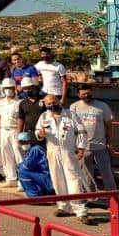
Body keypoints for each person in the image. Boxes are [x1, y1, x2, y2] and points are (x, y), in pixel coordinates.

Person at [35, 94, 92, 224]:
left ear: (59, 101)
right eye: (48, 103)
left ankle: (80, 211)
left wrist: (81, 149)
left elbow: (82, 132)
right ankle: (64, 207)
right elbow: (37, 132)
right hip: (52, 151)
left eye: (53, 102)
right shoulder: (44, 116)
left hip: (68, 151)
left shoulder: (71, 114)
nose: (51, 105)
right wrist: (40, 134)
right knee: (57, 179)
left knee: (74, 180)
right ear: (45, 104)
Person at [69, 84, 117, 192]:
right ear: (78, 95)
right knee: (86, 175)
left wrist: (109, 143)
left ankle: (113, 198)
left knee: (107, 173)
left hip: (100, 145)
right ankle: (91, 197)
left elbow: (109, 125)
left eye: (88, 93)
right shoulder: (74, 107)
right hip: (83, 147)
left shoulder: (103, 106)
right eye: (83, 94)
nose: (86, 95)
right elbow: (71, 128)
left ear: (92, 92)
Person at [0, 78, 22, 188]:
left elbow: (21, 119)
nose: (8, 90)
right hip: (3, 130)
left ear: (14, 88)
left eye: (10, 88)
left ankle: (22, 180)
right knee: (6, 155)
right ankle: (11, 178)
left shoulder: (19, 102)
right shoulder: (1, 103)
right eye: (6, 88)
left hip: (15, 130)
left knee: (19, 156)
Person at [16, 131, 54, 197]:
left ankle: (34, 196)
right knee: (21, 168)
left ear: (30, 141)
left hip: (48, 180)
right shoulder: (31, 150)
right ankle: (40, 193)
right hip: (44, 179)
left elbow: (26, 167)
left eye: (26, 141)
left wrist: (19, 166)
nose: (24, 144)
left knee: (22, 172)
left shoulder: (35, 150)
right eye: (21, 142)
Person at [17, 77, 46, 144]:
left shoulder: (44, 100)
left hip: (43, 132)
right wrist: (19, 135)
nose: (27, 90)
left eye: (29, 88)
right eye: (25, 89)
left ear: (33, 87)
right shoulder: (22, 103)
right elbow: (21, 120)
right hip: (30, 134)